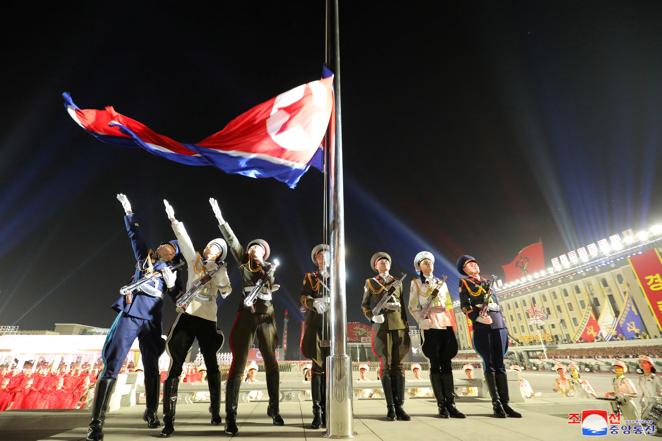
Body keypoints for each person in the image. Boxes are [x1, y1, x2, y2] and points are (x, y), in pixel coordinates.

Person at [86, 194, 179, 441]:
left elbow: (180, 299)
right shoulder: (144, 259)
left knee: (151, 366)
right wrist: (129, 213)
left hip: (151, 320)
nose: (164, 250)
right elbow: (135, 236)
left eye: (170, 251)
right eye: (163, 247)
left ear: (173, 257)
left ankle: (150, 412)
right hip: (130, 313)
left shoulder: (171, 273)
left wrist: (173, 286)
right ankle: (96, 423)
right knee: (113, 363)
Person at [209, 197, 284, 435]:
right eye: (252, 247)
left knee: (272, 362)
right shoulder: (243, 262)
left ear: (264, 253)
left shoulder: (269, 268)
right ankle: (231, 415)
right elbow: (232, 241)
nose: (254, 249)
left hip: (267, 316)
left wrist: (266, 270)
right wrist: (221, 219)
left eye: (258, 248)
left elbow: (272, 284)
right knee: (238, 363)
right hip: (246, 314)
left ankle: (274, 408)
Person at [161, 199, 232, 437]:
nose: (212, 249)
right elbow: (185, 241)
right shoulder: (195, 262)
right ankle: (168, 420)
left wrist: (218, 271)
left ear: (221, 254)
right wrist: (174, 220)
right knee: (176, 365)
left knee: (212, 365)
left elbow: (226, 290)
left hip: (208, 320)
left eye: (217, 249)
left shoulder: (219, 269)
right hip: (188, 315)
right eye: (211, 246)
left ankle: (215, 410)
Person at [457, 255, 522, 418]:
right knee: (490, 364)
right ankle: (496, 404)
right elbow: (465, 306)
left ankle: (506, 404)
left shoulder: (487, 282)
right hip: (482, 326)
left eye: (474, 262)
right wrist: (478, 318)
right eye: (469, 264)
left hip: (499, 325)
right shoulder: (465, 283)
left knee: (500, 365)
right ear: (464, 270)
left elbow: (496, 304)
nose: (473, 265)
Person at [408, 251, 464, 418]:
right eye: (424, 263)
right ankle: (441, 405)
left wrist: (453, 325)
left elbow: (448, 304)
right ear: (419, 267)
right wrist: (421, 321)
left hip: (445, 324)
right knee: (435, 363)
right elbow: (412, 306)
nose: (428, 265)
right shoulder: (416, 283)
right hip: (430, 324)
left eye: (430, 262)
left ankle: (451, 404)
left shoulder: (442, 282)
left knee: (446, 363)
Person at [361, 252, 411, 421]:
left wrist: (406, 325)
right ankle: (390, 407)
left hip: (399, 325)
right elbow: (365, 305)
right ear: (375, 266)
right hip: (381, 326)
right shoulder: (370, 282)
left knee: (399, 366)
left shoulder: (398, 282)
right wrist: (372, 317)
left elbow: (403, 305)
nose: (384, 263)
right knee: (386, 366)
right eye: (380, 262)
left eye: (386, 261)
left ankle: (400, 406)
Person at [299, 244, 331, 429]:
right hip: (316, 324)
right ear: (316, 259)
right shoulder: (310, 277)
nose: (323, 257)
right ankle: (317, 413)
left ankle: (328, 411)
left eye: (326, 254)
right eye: (320, 255)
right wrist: (313, 302)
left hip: (332, 326)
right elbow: (303, 296)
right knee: (317, 368)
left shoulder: (338, 276)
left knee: (329, 368)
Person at [638, 355, 661, 436]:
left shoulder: (656, 378)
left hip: (657, 405)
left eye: (644, 362)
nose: (642, 364)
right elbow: (644, 390)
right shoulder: (641, 378)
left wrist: (657, 399)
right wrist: (642, 398)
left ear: (650, 365)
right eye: (641, 362)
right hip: (647, 404)